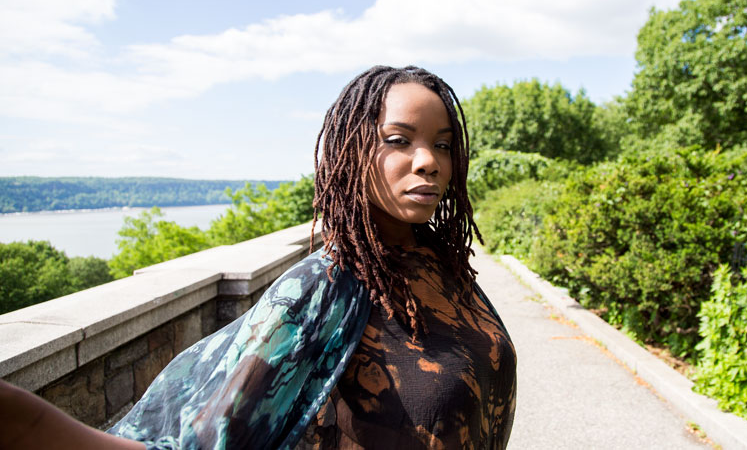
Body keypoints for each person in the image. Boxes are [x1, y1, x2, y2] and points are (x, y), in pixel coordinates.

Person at [0, 65, 516, 449]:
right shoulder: (324, 290)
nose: (429, 161)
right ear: (350, 153)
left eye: (444, 145)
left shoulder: (445, 267)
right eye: (399, 140)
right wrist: (32, 424)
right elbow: (207, 441)